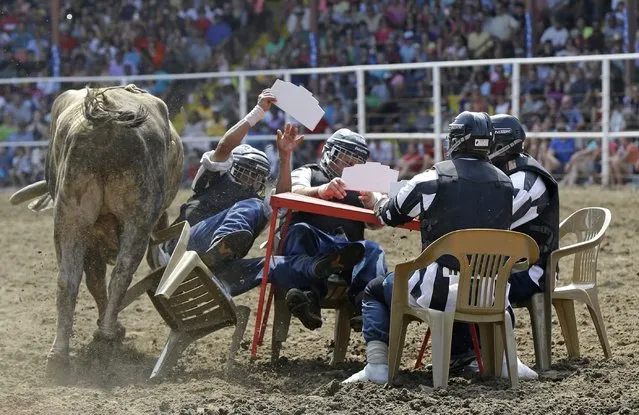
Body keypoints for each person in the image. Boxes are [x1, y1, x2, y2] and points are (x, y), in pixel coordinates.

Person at [343, 111, 516, 385]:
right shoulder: (507, 183)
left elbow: (390, 214)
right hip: (490, 294)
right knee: (462, 278)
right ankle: (490, 359)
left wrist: (376, 199)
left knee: (375, 289)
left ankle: (377, 365)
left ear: (456, 140)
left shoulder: (433, 178)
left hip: (439, 292)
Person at [161, 90, 365, 296]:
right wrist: (258, 111)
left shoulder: (255, 205)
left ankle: (318, 267)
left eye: (257, 177)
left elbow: (283, 200)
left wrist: (285, 157)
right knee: (254, 205)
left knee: (272, 266)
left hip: (217, 272)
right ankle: (220, 247)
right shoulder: (213, 177)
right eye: (246, 172)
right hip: (183, 246)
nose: (251, 181)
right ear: (232, 167)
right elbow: (224, 147)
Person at [282, 128, 389, 331]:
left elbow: (380, 220)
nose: (350, 166)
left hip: (347, 253)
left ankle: (364, 304)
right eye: (345, 159)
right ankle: (307, 297)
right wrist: (320, 191)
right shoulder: (309, 172)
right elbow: (291, 193)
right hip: (315, 250)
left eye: (356, 162)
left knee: (374, 250)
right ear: (329, 154)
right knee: (299, 231)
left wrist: (372, 201)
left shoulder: (363, 187)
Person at [489, 114, 559, 309]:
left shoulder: (523, 184)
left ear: (500, 146)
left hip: (531, 274)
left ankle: (482, 339)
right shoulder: (514, 172)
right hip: (515, 266)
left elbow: (486, 224)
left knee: (461, 290)